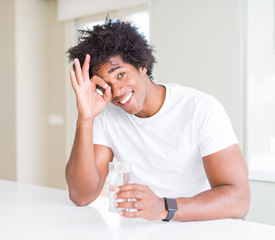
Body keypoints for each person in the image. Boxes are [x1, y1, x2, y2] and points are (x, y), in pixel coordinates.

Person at [65, 19, 250, 222]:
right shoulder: (104, 116)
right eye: (105, 85)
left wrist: (164, 207)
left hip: (201, 227)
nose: (116, 92)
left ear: (142, 65)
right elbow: (81, 195)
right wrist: (85, 118)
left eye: (121, 74)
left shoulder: (201, 108)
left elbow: (239, 199)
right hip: (142, 230)